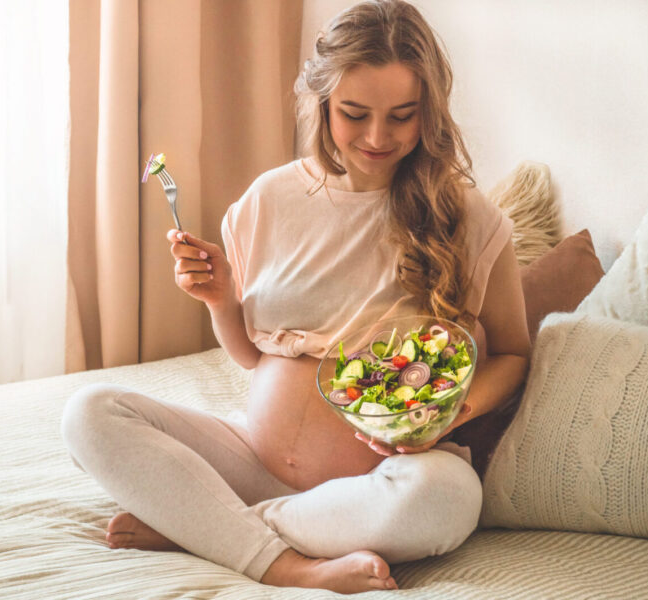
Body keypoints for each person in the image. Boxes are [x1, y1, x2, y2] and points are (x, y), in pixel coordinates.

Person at [62, 0, 530, 594]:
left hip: (381, 479)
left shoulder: (468, 218)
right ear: (322, 103)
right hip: (252, 463)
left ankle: (209, 529)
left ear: (429, 112)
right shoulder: (272, 198)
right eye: (355, 114)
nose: (378, 137)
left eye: (402, 116)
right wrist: (222, 302)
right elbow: (254, 358)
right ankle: (288, 562)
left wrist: (445, 419)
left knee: (447, 500)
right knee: (91, 412)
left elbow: (513, 354)